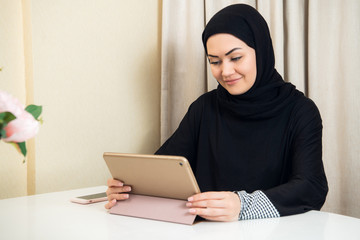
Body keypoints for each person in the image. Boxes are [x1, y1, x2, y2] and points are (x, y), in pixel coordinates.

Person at [105, 4, 328, 222]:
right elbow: (166, 167)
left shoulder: (300, 111)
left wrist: (242, 206)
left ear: (261, 50)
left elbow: (311, 186)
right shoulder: (204, 108)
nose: (226, 71)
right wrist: (130, 189)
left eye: (236, 57)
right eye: (215, 61)